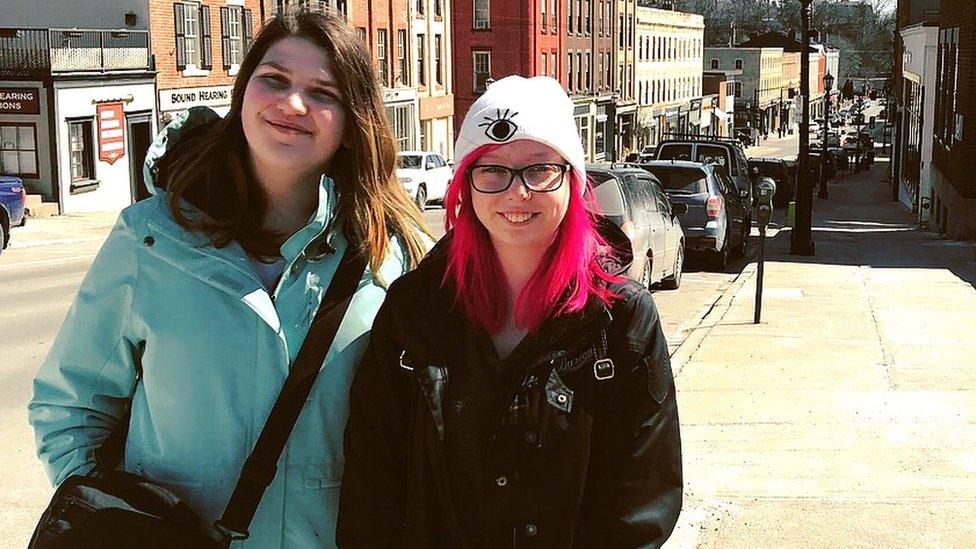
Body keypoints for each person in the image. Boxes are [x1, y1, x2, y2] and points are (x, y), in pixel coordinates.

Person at [28, 12, 429, 548]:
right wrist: (116, 524)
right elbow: (70, 408)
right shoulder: (148, 241)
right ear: (243, 94)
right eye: (275, 79)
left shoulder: (390, 258)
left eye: (323, 92)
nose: (291, 104)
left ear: (354, 125)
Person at [337, 76, 682, 548]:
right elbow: (372, 488)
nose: (517, 193)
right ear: (466, 186)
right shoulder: (414, 311)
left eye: (539, 169)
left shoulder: (619, 322)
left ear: (572, 179)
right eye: (492, 170)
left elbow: (639, 507)